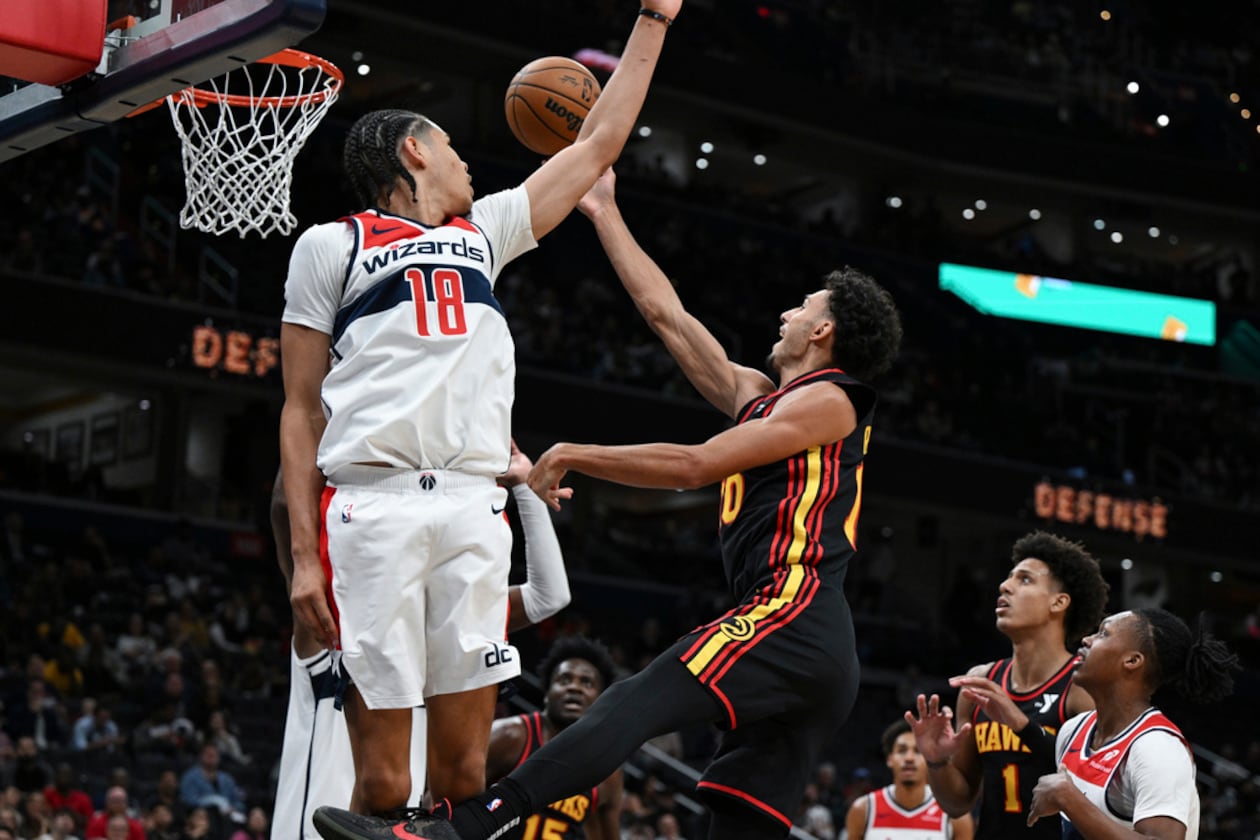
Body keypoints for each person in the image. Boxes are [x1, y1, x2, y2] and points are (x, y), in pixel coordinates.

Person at [312, 165, 903, 840]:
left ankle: (462, 828)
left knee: (630, 701)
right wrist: (602, 211)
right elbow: (667, 317)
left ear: (823, 334)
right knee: (737, 826)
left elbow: (694, 465)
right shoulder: (760, 397)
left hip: (792, 613)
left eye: (803, 307)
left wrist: (572, 453)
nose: (787, 313)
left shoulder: (830, 402)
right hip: (810, 647)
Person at [280, 0, 680, 822]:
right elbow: (297, 410)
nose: (469, 164)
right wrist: (303, 559)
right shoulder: (332, 245)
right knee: (385, 787)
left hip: (472, 505)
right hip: (372, 507)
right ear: (415, 149)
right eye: (455, 147)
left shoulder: (486, 233)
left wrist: (653, 21)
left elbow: (597, 143)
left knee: (463, 780)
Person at [271, 442, 571, 840]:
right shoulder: (332, 625)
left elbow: (548, 596)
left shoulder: (447, 659)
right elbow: (282, 503)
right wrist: (342, 434)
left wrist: (522, 485)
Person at [906, 532, 1110, 839]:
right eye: (1009, 578)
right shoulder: (980, 684)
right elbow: (958, 802)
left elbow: (1099, 792)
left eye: (1025, 580)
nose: (1005, 586)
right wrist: (936, 761)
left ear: (1059, 602)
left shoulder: (1082, 686)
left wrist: (1022, 725)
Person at [1026, 609, 1237, 839]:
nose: (1087, 639)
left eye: (1103, 634)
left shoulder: (1157, 747)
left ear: (1132, 661)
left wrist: (1069, 799)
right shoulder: (1073, 730)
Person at [483, 638, 622, 840]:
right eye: (564, 680)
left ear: (599, 699)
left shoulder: (608, 772)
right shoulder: (509, 736)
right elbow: (445, 798)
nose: (575, 688)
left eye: (587, 682)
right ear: (547, 693)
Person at [844, 720, 974, 840]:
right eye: (902, 750)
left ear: (929, 757)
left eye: (918, 751)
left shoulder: (954, 815)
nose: (909, 758)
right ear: (889, 759)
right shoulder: (863, 809)